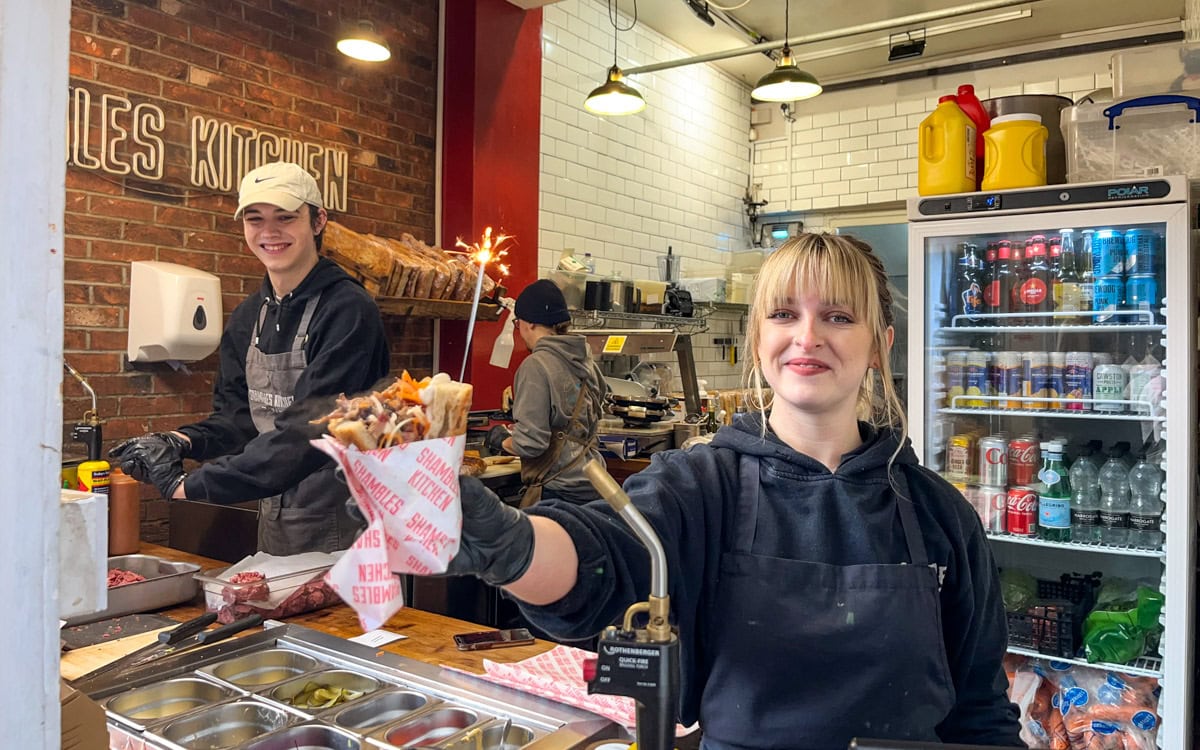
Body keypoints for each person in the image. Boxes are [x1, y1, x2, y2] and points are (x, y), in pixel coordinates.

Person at [448, 234, 1022, 749]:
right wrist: (510, 545)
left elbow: (981, 714)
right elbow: (601, 560)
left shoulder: (940, 514)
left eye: (839, 316)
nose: (807, 336)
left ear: (880, 345)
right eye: (783, 314)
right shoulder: (700, 486)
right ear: (757, 340)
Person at [110, 161, 390, 555]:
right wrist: (178, 442)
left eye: (286, 217)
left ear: (318, 221)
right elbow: (239, 419)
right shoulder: (248, 315)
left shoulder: (348, 310)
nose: (269, 232)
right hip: (278, 517)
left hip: (347, 522)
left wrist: (189, 486)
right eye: (255, 219)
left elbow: (310, 432)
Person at [485, 278, 606, 507]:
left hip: (558, 491)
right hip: (594, 483)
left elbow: (531, 443)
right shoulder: (587, 361)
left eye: (517, 322)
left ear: (529, 323)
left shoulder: (536, 365)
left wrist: (502, 439)